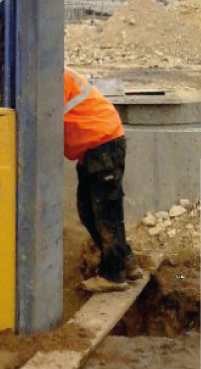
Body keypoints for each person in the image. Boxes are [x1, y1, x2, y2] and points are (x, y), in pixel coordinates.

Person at [64, 67, 143, 293]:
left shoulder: (52, 79)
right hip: (94, 148)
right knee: (89, 212)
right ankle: (125, 261)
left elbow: (43, 120)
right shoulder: (56, 76)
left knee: (106, 213)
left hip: (102, 144)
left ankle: (113, 275)